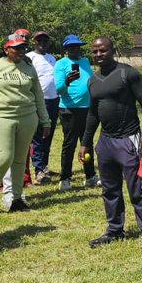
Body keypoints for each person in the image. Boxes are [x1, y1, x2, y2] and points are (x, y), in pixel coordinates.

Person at [79, 37, 142, 250]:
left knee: (136, 189)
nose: (98, 55)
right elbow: (92, 113)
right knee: (109, 188)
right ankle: (115, 229)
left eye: (102, 51)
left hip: (129, 139)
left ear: (112, 50)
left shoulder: (128, 73)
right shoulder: (93, 80)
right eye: (95, 52)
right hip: (106, 142)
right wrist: (86, 142)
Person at [0, 33, 50, 216]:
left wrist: (45, 120)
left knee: (20, 160)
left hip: (28, 118)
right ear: (6, 49)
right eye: (17, 48)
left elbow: (38, 96)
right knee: (3, 159)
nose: (21, 51)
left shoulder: (29, 68)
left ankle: (16, 199)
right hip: (2, 118)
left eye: (23, 47)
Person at [54, 34, 98, 191]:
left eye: (78, 47)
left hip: (87, 108)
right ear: (66, 49)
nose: (76, 50)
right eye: (72, 47)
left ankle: (90, 176)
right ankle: (65, 178)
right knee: (70, 144)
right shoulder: (61, 64)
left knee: (87, 142)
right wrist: (67, 81)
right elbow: (58, 89)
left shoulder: (85, 62)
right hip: (69, 109)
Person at [27, 31, 60, 183]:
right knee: (38, 136)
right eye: (39, 40)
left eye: (45, 40)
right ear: (34, 42)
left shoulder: (51, 58)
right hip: (39, 102)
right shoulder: (29, 57)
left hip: (54, 100)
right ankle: (38, 169)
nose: (42, 42)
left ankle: (44, 166)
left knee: (49, 133)